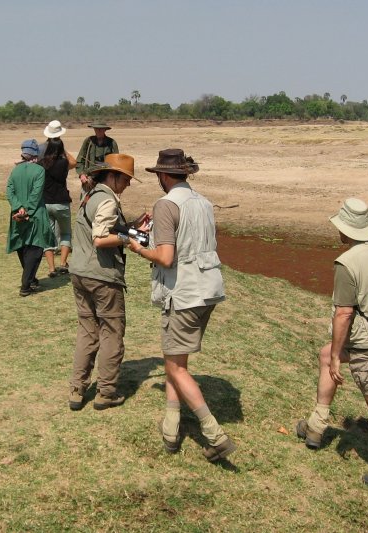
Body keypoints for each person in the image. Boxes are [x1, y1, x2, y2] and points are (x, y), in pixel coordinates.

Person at [296, 198, 368, 496]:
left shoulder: (347, 262)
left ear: (346, 229)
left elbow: (344, 313)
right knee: (325, 356)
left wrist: (338, 355)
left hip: (365, 343)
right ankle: (316, 426)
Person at [127, 148, 236, 463]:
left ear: (162, 175)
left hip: (184, 292)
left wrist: (137, 247)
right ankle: (172, 426)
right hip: (208, 289)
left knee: (174, 366)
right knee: (176, 359)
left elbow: (165, 257)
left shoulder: (165, 204)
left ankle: (213, 433)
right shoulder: (202, 201)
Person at [67, 153, 137, 411]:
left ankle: (77, 389)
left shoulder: (91, 195)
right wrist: (131, 239)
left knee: (87, 330)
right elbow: (100, 238)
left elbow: (99, 228)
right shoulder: (107, 199)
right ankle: (106, 392)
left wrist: (129, 227)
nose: (128, 184)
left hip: (79, 273)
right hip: (102, 276)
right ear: (113, 176)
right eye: (126, 179)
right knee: (111, 332)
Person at [6, 139, 54, 297]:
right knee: (36, 248)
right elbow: (36, 193)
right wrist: (27, 210)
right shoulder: (39, 171)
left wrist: (18, 208)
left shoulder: (15, 170)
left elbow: (10, 191)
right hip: (34, 215)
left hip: (17, 215)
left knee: (22, 245)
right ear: (36, 154)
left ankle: (31, 279)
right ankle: (25, 285)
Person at [40, 137, 73, 276]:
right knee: (65, 234)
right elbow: (75, 162)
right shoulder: (64, 162)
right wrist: (63, 149)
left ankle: (51, 268)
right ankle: (63, 263)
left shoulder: (43, 163)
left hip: (46, 203)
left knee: (48, 236)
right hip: (61, 202)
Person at [75, 122, 118, 197]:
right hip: (89, 178)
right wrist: (82, 175)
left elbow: (116, 164)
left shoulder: (112, 143)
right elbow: (80, 160)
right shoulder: (88, 141)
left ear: (105, 130)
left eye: (101, 129)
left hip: (106, 179)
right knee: (86, 202)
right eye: (96, 129)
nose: (98, 131)